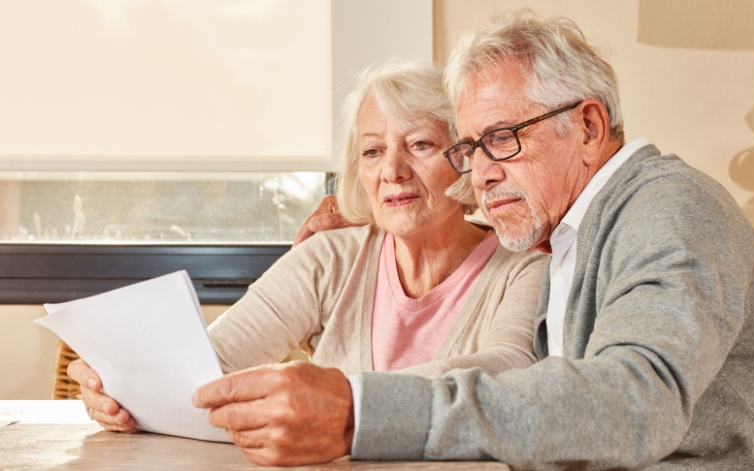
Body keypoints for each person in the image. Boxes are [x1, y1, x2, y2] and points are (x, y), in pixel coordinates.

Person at [190, 11, 754, 470]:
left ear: (589, 125)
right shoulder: (562, 238)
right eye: (468, 148)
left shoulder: (668, 208)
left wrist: (362, 409)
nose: (482, 170)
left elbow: (637, 403)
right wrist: (377, 221)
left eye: (502, 138)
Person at [67, 61, 548, 439]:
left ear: (463, 158)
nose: (393, 171)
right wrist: (117, 383)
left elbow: (507, 369)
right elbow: (208, 365)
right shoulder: (329, 258)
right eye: (373, 150)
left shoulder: (522, 266)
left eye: (420, 144)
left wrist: (340, 397)